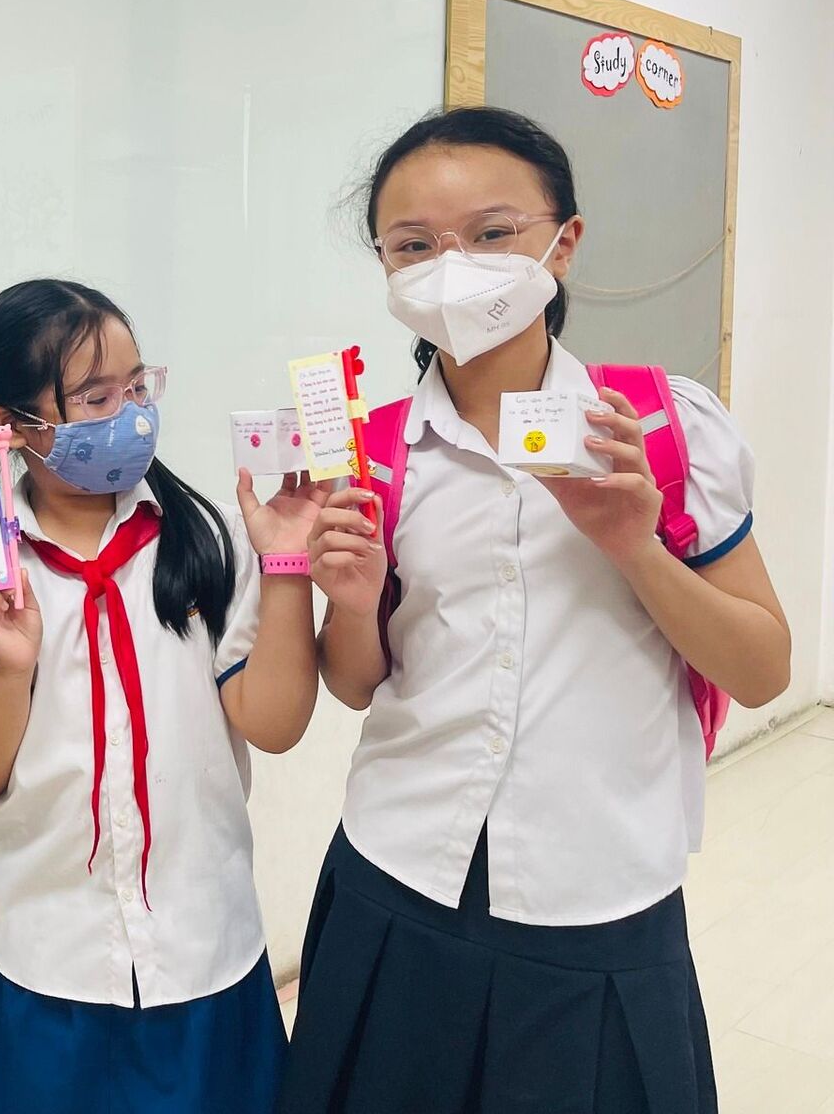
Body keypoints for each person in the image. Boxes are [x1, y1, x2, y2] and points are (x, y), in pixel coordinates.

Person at [279, 107, 790, 1114]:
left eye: (491, 233)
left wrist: (633, 545)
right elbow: (357, 684)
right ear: (384, 265)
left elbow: (763, 668)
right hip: (399, 876)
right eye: (414, 246)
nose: (452, 268)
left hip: (597, 897)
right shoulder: (374, 452)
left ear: (565, 241)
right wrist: (349, 601)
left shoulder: (661, 429)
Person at [0, 278, 325, 1114]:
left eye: (138, 387)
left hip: (204, 953)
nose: (132, 415)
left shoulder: (204, 541)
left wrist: (286, 565)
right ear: (12, 426)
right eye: (97, 398)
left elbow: (274, 726)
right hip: (41, 963)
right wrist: (13, 670)